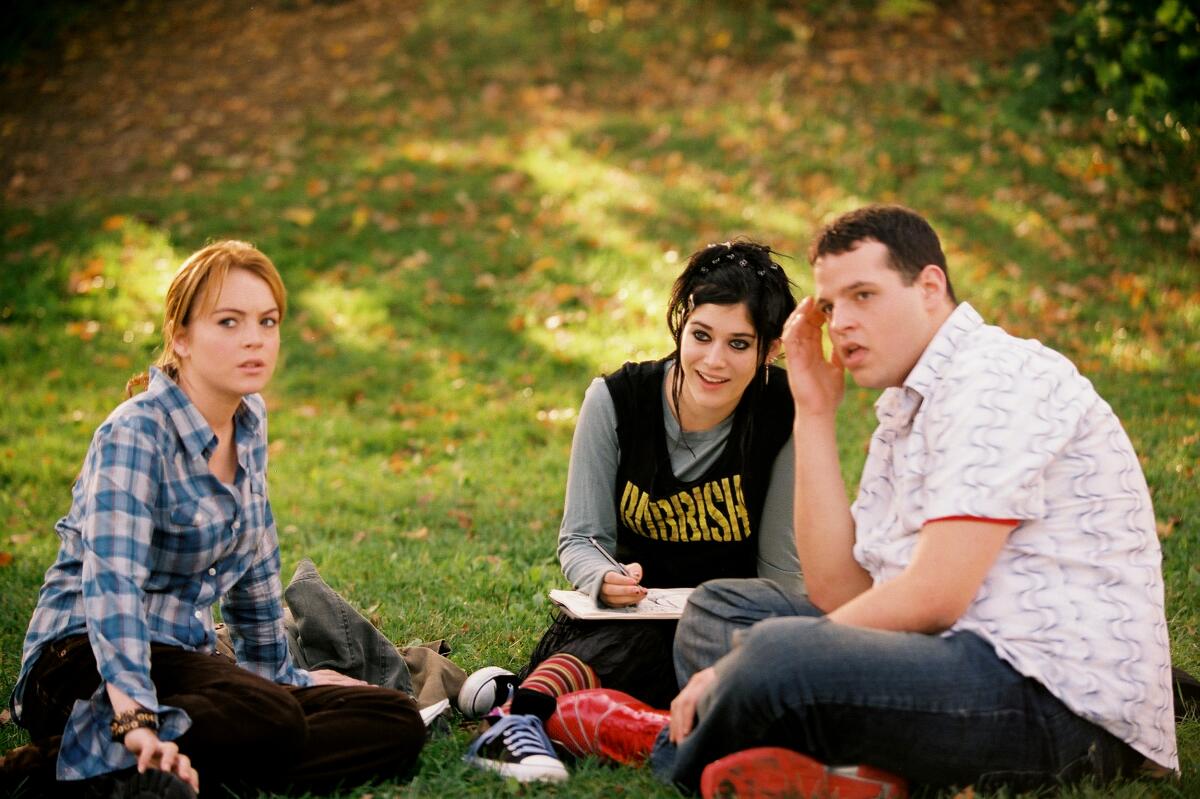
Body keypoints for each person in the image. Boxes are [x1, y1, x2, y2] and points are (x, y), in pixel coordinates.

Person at [542, 205, 1178, 797]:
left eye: (863, 296)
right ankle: (847, 777)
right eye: (830, 304)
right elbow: (838, 592)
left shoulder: (996, 384)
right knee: (722, 610)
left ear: (930, 288)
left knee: (770, 652)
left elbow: (932, 597)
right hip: (955, 658)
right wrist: (814, 414)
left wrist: (750, 666)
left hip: (1054, 704)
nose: (841, 321)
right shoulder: (908, 403)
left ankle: (668, 747)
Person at [2, 241, 424, 798]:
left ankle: (160, 775)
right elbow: (113, 586)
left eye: (267, 321)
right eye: (229, 321)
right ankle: (48, 765)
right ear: (180, 335)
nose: (255, 338)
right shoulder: (134, 434)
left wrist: (285, 676)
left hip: (185, 664)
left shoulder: (249, 418)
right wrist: (134, 716)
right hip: (82, 661)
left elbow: (255, 567)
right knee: (268, 715)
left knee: (393, 719)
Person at [465, 240, 803, 783]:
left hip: (729, 620)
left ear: (769, 350)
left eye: (739, 344)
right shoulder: (618, 400)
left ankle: (535, 700)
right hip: (634, 615)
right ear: (680, 325)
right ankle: (515, 720)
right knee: (632, 643)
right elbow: (581, 538)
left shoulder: (784, 410)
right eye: (701, 336)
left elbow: (783, 575)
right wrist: (603, 578)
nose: (714, 361)